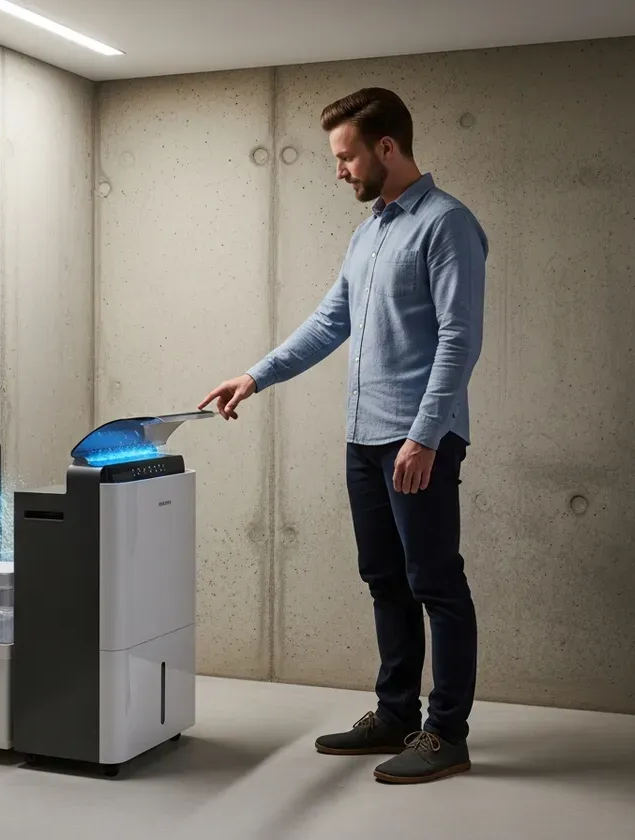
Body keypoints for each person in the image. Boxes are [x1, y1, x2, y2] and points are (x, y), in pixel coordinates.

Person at [199, 88, 487, 785]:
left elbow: (460, 338)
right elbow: (333, 321)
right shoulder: (369, 233)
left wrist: (425, 435)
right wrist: (255, 376)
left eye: (347, 156)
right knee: (384, 580)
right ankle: (395, 714)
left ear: (386, 147)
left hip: (417, 440)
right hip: (364, 439)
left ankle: (446, 734)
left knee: (435, 582)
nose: (339, 171)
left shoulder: (446, 224)